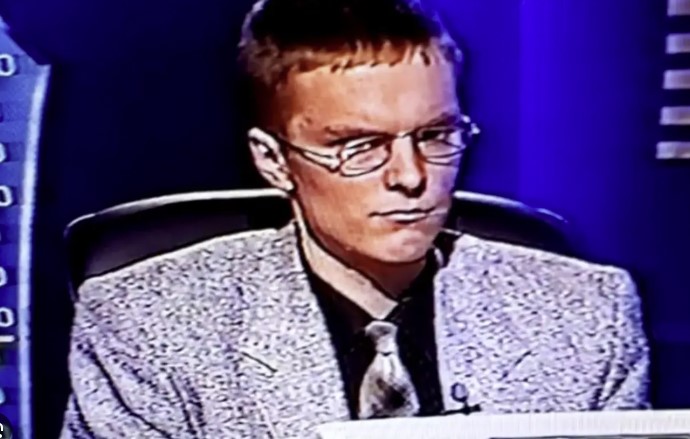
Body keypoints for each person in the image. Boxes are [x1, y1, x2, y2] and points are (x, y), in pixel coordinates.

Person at [60, 0, 650, 437]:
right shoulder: (148, 323)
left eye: (435, 136)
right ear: (273, 161)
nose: (411, 175)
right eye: (359, 146)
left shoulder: (587, 314)